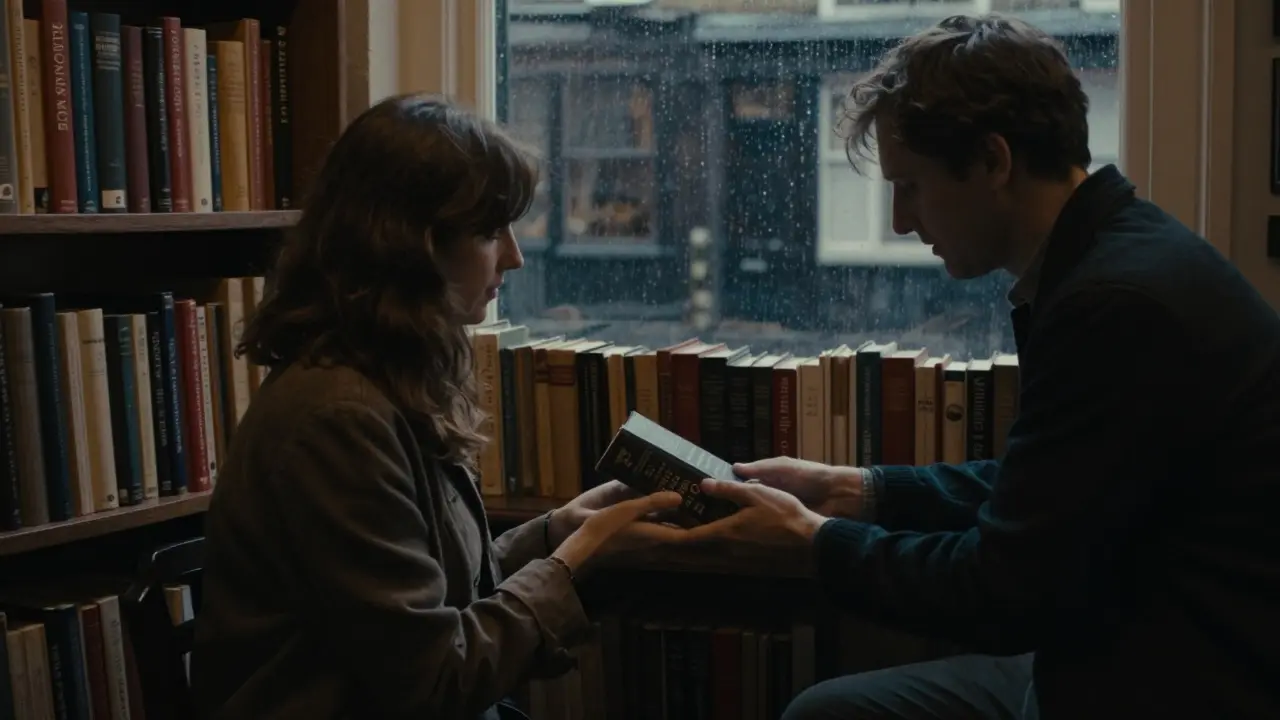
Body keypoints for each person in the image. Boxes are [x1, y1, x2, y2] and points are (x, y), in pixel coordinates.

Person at [681, 13, 1280, 720]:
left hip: (1167, 680)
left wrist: (813, 543)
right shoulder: (1117, 258)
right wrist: (859, 491)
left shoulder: (1114, 304)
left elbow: (1003, 593)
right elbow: (1054, 486)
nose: (901, 221)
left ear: (994, 162)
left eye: (911, 186)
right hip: (1125, 643)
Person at [189, 94, 686, 720]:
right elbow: (435, 681)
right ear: (411, 248)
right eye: (489, 232)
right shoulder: (338, 420)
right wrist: (579, 559)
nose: (515, 256)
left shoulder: (384, 379)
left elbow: (430, 596)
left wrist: (559, 531)